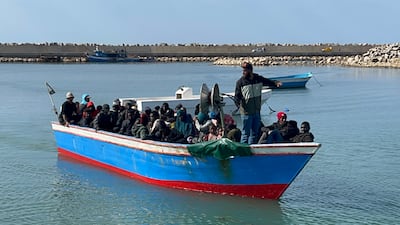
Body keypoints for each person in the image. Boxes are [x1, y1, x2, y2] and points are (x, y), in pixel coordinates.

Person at [234, 62, 281, 144]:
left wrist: (275, 83)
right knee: (245, 133)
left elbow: (267, 81)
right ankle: (243, 150)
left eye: (245, 70)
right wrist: (239, 105)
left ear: (250, 70)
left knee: (254, 133)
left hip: (256, 111)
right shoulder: (240, 82)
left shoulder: (257, 78)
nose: (243, 72)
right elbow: (236, 97)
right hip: (246, 113)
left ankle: (252, 149)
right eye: (243, 70)